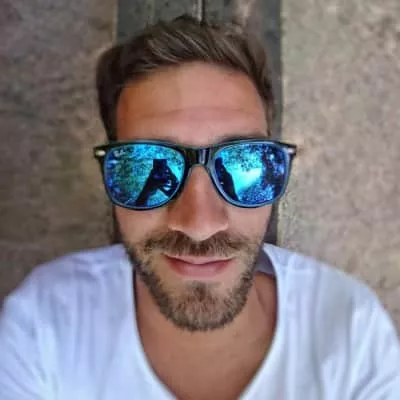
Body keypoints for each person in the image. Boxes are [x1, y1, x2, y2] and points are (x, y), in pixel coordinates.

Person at [0, 14, 399, 400]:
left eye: (245, 164)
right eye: (145, 167)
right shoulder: (44, 326)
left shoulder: (352, 334)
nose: (200, 224)